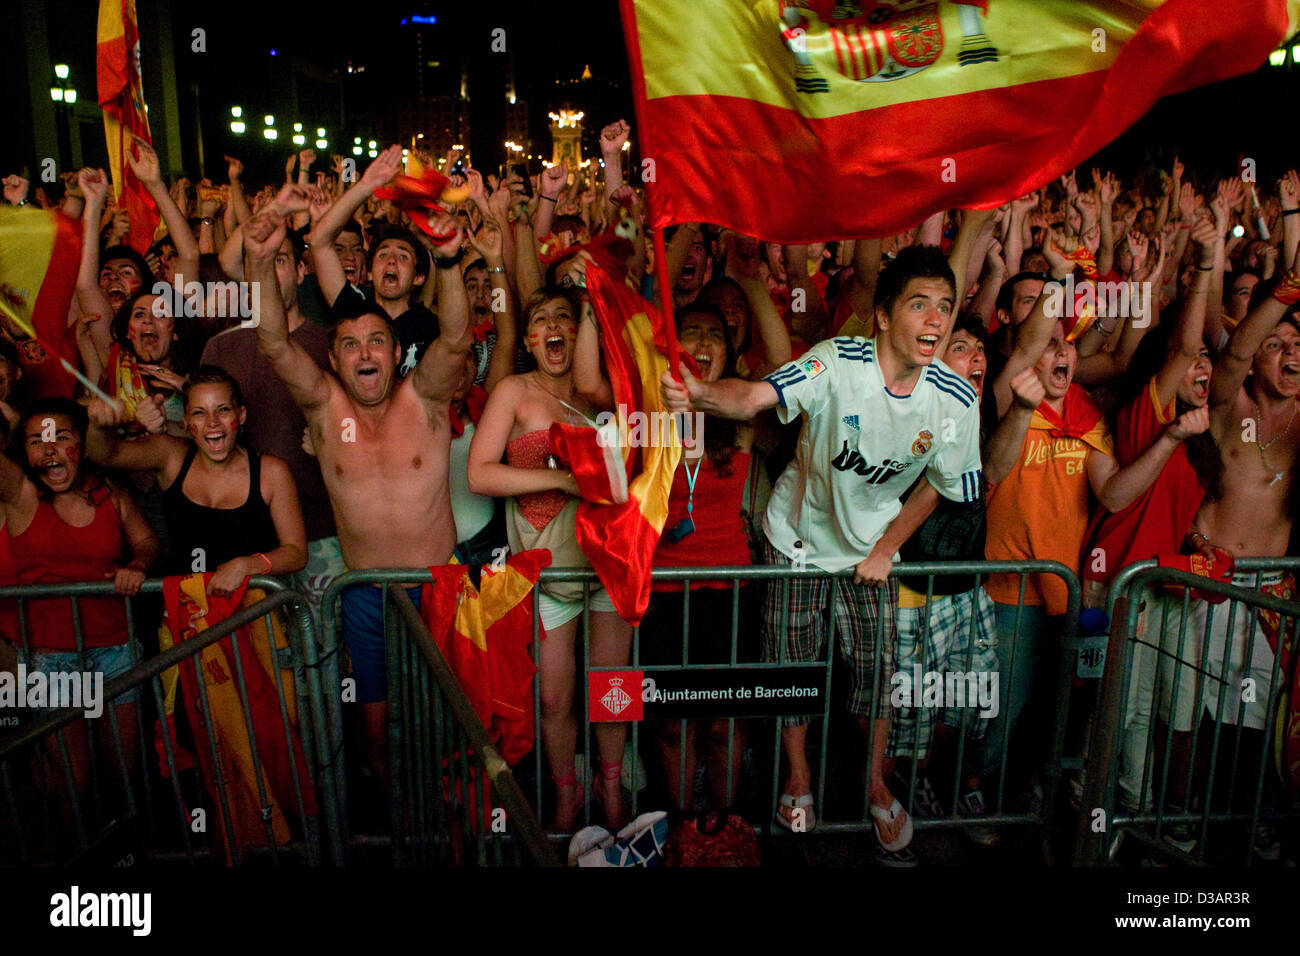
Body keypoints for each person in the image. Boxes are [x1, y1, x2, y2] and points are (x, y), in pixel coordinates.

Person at [662, 220, 992, 857]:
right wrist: (702, 393)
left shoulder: (954, 399)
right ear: (884, 314)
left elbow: (940, 486)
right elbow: (756, 394)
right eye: (919, 304)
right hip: (797, 545)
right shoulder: (837, 362)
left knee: (875, 678)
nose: (935, 319)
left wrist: (886, 547)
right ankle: (799, 777)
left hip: (871, 555)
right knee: (792, 675)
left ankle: (873, 785)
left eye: (945, 307)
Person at [246, 195, 472, 786]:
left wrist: (448, 264)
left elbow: (454, 339)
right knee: (374, 729)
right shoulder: (323, 407)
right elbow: (272, 342)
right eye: (350, 345)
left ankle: (450, 830)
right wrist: (262, 262)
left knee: (450, 720)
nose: (365, 353)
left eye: (377, 341)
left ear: (397, 353)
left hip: (438, 588)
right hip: (365, 594)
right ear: (334, 358)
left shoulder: (425, 399)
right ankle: (393, 832)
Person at [468, 285, 631, 831]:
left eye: (568, 316)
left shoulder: (605, 392)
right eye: (542, 319)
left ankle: (611, 787)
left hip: (609, 568)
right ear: (531, 339)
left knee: (612, 690)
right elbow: (479, 474)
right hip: (546, 576)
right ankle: (567, 793)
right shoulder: (513, 392)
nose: (554, 326)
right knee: (556, 698)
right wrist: (564, 479)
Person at [0, 398, 160, 806]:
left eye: (61, 437)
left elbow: (145, 540)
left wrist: (137, 564)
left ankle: (128, 854)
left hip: (116, 648)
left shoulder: (109, 492)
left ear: (84, 446)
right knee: (74, 777)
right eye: (37, 441)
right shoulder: (19, 493)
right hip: (51, 658)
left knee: (122, 767)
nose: (49, 449)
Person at [200, 227, 344, 625]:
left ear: (301, 271)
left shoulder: (329, 346)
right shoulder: (220, 348)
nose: (266, 271)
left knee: (326, 655)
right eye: (256, 264)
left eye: (278, 260)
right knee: (268, 670)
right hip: (244, 542)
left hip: (322, 534)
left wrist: (330, 441)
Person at [85, 366, 306, 589]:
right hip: (189, 614)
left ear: (241, 415)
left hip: (257, 614)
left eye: (222, 410)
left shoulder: (271, 472)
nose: (212, 422)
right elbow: (106, 455)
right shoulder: (171, 457)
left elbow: (296, 553)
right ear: (185, 421)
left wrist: (248, 565)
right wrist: (99, 427)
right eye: (199, 413)